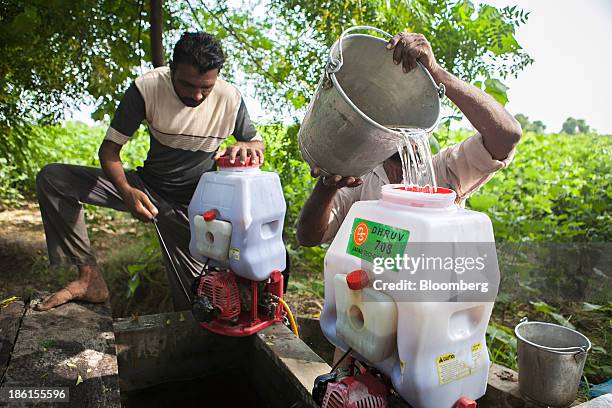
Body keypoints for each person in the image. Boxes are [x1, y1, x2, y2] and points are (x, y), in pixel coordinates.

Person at [35, 32, 264, 311]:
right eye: (187, 84)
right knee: (54, 179)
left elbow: (255, 143)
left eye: (206, 87)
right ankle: (89, 278)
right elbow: (109, 151)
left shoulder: (230, 99)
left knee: (198, 302)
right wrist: (127, 192)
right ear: (171, 69)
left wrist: (246, 145)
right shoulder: (147, 88)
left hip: (193, 207)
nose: (197, 95)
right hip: (145, 188)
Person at [297, 31, 522, 247]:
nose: (408, 133)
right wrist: (327, 186)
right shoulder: (360, 181)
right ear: (377, 129)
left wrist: (436, 72)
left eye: (414, 123)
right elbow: (308, 236)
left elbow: (507, 135)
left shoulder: (444, 171)